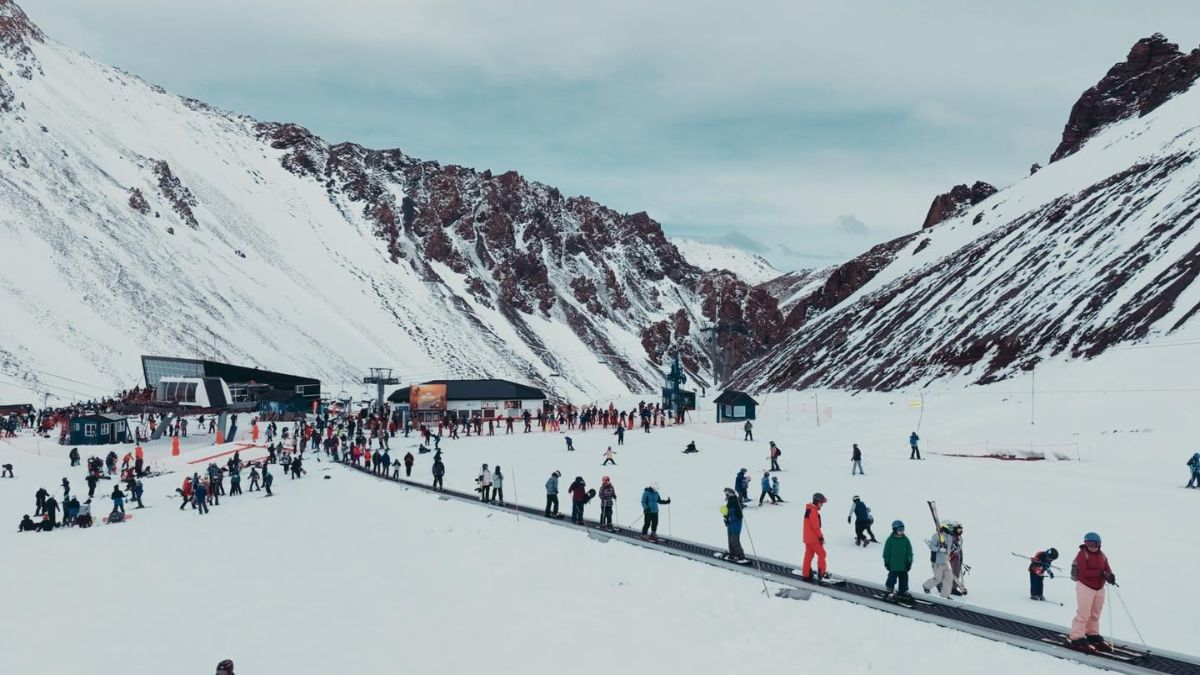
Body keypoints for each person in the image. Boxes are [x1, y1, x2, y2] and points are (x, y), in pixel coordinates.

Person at [1069, 532, 1116, 653]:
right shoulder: (1082, 554)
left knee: (1095, 614)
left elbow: (1107, 568)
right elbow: (1084, 572)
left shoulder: (1102, 555)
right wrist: (1100, 573)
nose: (1092, 546)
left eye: (1094, 543)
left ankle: (1092, 634)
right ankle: (1076, 637)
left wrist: (1109, 576)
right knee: (1084, 613)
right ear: (1085, 543)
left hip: (1099, 588)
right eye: (1089, 543)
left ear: (1099, 544)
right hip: (1085, 586)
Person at [922, 522, 955, 598]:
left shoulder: (950, 537)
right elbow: (931, 547)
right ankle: (926, 586)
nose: (951, 530)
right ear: (945, 527)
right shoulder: (936, 536)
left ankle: (945, 595)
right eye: (950, 528)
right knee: (938, 579)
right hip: (937, 561)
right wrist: (939, 549)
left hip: (946, 561)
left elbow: (949, 548)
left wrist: (953, 549)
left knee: (949, 578)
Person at [883, 520, 914, 599]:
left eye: (903, 529)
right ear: (894, 530)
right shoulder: (890, 540)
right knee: (891, 578)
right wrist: (887, 562)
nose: (901, 531)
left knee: (904, 579)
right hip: (893, 564)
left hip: (903, 565)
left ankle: (903, 591)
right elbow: (886, 552)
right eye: (899, 529)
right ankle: (889, 589)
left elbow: (909, 552)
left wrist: (909, 562)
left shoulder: (905, 540)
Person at [801, 493, 828, 580]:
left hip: (807, 538)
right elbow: (816, 527)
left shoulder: (809, 509)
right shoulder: (813, 511)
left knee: (809, 555)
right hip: (813, 538)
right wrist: (820, 537)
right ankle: (822, 573)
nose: (822, 505)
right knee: (822, 554)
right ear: (817, 502)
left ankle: (806, 573)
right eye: (821, 503)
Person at [723, 487, 746, 560]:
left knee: (734, 540)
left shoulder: (736, 503)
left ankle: (740, 555)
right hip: (730, 525)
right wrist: (726, 518)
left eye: (727, 494)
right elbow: (727, 513)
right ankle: (733, 553)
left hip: (736, 525)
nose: (726, 496)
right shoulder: (729, 503)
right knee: (730, 540)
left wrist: (730, 519)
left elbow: (739, 516)